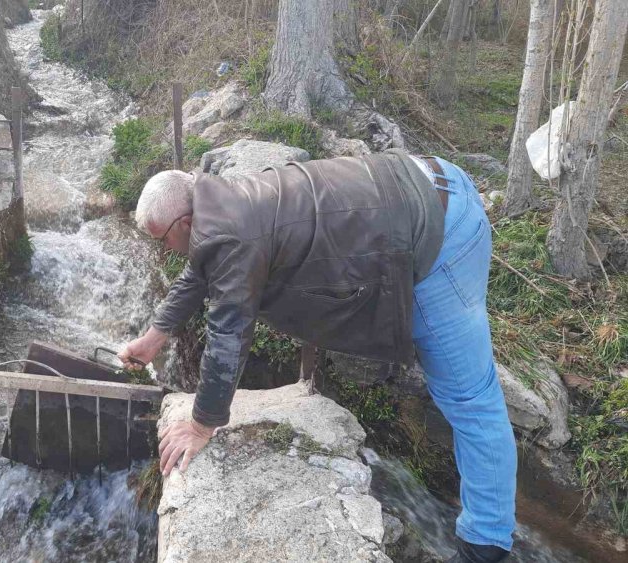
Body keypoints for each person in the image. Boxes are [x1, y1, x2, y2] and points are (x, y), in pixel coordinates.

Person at [118, 151, 517, 563]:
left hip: (443, 231)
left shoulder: (231, 235)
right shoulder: (219, 199)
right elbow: (202, 268)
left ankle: (484, 544)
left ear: (184, 222)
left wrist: (201, 425)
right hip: (420, 181)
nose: (164, 248)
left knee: (470, 399)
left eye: (160, 237)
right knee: (454, 381)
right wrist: (155, 337)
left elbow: (228, 336)